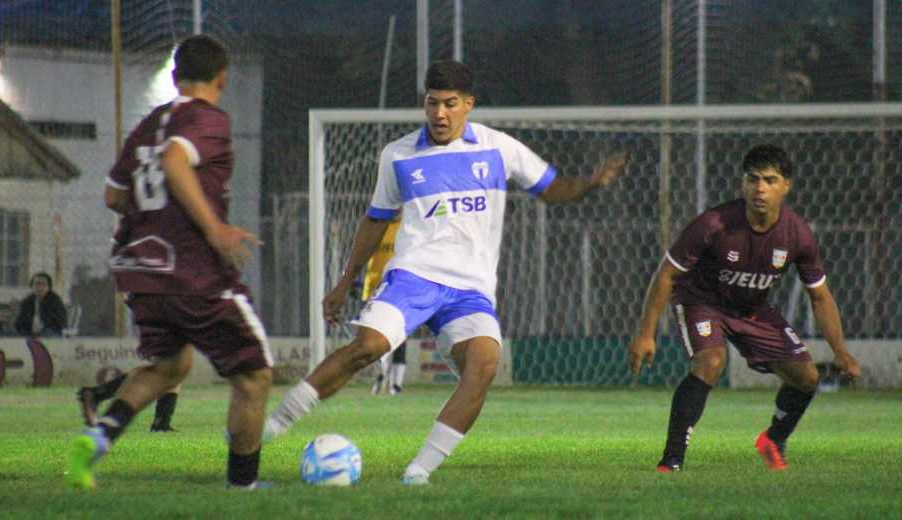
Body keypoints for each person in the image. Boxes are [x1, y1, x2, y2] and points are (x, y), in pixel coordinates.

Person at [262, 60, 629, 485]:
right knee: (368, 346)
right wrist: (345, 282)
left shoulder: (498, 148)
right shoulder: (398, 155)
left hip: (470, 290)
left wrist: (590, 183)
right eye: (432, 103)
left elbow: (552, 189)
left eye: (449, 104)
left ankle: (418, 474)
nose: (439, 113)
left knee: (484, 364)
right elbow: (376, 219)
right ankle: (273, 425)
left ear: (468, 105)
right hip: (414, 276)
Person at [64, 34, 272, 491]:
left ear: (176, 78)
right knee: (254, 376)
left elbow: (113, 195)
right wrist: (214, 230)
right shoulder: (209, 119)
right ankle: (244, 487)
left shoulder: (148, 123)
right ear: (222, 77)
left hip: (141, 271)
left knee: (167, 369)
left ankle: (99, 436)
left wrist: (153, 217)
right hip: (192, 272)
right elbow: (177, 158)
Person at [627, 144, 861, 473]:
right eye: (753, 179)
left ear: (786, 186)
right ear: (742, 184)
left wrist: (841, 351)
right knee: (710, 361)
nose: (760, 188)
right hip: (701, 302)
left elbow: (820, 297)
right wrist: (646, 334)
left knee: (806, 378)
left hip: (751, 310)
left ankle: (773, 440)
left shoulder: (798, 235)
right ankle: (671, 461)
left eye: (770, 180)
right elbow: (666, 274)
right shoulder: (713, 224)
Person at [361, 215, 409, 395]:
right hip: (374, 290)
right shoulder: (377, 227)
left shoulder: (408, 228)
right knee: (375, 339)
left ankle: (396, 385)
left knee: (399, 339)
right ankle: (380, 375)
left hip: (399, 291)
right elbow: (363, 255)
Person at [14, 272, 67, 337]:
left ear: (49, 287)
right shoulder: (27, 301)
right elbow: (19, 323)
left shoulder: (55, 301)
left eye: (43, 284)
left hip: (51, 333)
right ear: (32, 286)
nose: (40, 287)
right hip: (30, 333)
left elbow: (60, 323)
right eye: (37, 284)